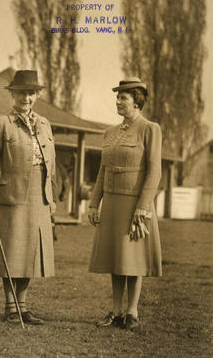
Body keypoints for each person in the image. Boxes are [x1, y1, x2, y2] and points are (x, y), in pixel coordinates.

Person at [0, 70, 57, 325]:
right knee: (13, 251)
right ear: (12, 94)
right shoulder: (3, 123)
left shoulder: (44, 124)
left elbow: (50, 165)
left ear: (37, 95)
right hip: (14, 195)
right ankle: (10, 306)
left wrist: (51, 197)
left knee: (31, 253)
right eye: (22, 92)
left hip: (40, 196)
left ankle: (23, 306)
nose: (27, 97)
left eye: (31, 93)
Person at [88, 77, 162, 330]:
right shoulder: (109, 133)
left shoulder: (150, 129)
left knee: (133, 259)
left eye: (123, 98)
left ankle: (132, 312)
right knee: (116, 259)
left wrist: (143, 207)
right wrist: (93, 203)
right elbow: (102, 171)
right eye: (117, 97)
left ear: (137, 101)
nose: (118, 102)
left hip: (135, 205)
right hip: (112, 204)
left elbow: (154, 172)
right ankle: (116, 311)